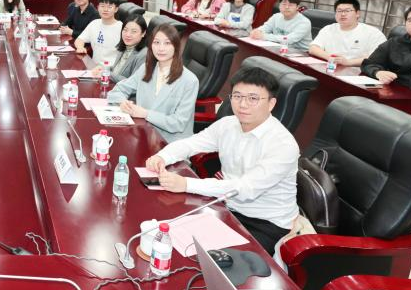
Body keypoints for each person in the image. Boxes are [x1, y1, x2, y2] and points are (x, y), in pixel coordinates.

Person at [146, 67, 299, 255]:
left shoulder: (283, 144)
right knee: (172, 235)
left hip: (265, 223)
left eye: (253, 98)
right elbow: (191, 143)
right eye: (237, 96)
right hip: (226, 206)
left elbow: (244, 189)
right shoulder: (228, 124)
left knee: (214, 261)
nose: (243, 104)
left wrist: (186, 184)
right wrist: (162, 156)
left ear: (271, 103)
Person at [107, 24, 199, 142]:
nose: (161, 48)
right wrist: (122, 103)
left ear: (176, 46)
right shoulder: (146, 69)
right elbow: (119, 90)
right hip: (142, 133)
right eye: (156, 42)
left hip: (170, 141)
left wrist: (146, 114)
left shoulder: (190, 80)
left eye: (167, 43)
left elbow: (178, 123)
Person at [309, 0, 386, 66]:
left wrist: (348, 62)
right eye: (339, 11)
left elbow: (377, 57)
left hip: (358, 72)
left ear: (357, 13)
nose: (343, 14)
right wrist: (330, 57)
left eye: (347, 11)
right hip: (330, 68)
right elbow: (313, 48)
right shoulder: (328, 29)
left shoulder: (373, 33)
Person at [91, 17, 149, 84]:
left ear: (143, 33)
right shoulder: (124, 46)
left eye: (134, 31)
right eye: (125, 30)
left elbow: (133, 83)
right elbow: (117, 70)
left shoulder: (143, 54)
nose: (128, 35)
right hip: (113, 85)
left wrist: (107, 73)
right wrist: (104, 69)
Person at [75, 0, 123, 65]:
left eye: (110, 7)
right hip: (94, 67)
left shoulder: (122, 27)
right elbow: (79, 39)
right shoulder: (94, 23)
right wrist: (80, 47)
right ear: (98, 7)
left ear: (116, 9)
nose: (105, 9)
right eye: (102, 6)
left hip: (111, 68)